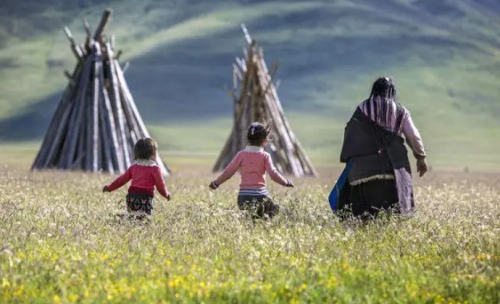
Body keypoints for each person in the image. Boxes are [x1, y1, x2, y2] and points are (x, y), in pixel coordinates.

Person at [337, 77, 428, 219]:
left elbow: (351, 131)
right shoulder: (401, 111)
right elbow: (413, 136)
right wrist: (421, 157)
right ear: (392, 91)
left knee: (364, 216)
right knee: (393, 213)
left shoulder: (362, 107)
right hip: (394, 168)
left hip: (364, 169)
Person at [209, 122, 294, 219]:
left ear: (248, 140)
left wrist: (216, 183)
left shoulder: (240, 155)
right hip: (261, 196)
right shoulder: (265, 156)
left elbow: (228, 172)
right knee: (271, 211)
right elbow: (273, 174)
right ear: (264, 141)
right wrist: (285, 182)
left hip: (243, 197)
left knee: (249, 219)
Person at [103, 138, 171, 219]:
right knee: (145, 220)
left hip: (131, 199)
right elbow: (160, 186)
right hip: (145, 200)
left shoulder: (133, 167)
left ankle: (121, 219)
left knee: (132, 218)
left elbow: (121, 180)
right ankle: (121, 218)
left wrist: (110, 188)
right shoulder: (155, 169)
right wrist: (166, 194)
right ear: (153, 154)